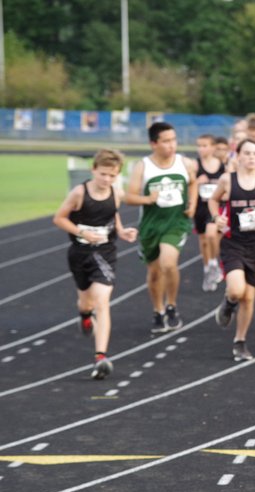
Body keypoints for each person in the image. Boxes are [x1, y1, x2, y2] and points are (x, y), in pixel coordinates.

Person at [52, 149, 138, 379]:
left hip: (105, 253)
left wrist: (122, 231)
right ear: (93, 170)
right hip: (79, 254)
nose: (107, 180)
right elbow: (59, 218)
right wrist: (81, 232)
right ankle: (84, 315)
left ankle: (101, 357)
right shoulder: (79, 193)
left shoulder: (115, 192)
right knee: (85, 302)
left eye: (112, 175)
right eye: (103, 174)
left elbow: (112, 213)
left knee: (102, 301)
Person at [209, 139, 255, 361]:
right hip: (233, 242)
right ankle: (228, 302)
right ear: (238, 156)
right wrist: (217, 217)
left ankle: (240, 341)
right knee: (236, 290)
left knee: (249, 298)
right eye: (247, 153)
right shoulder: (228, 180)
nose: (251, 157)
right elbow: (213, 200)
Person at [125, 121, 197, 334]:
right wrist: (148, 199)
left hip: (176, 223)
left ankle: (172, 305)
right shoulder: (143, 167)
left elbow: (193, 183)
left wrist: (192, 204)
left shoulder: (184, 163)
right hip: (151, 225)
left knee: (168, 263)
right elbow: (129, 197)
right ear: (153, 144)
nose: (171, 145)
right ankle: (158, 310)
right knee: (155, 272)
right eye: (166, 141)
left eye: (174, 140)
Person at [194, 133, 227, 292]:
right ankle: (208, 269)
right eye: (199, 146)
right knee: (204, 240)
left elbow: (229, 187)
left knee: (212, 235)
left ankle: (214, 263)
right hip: (200, 207)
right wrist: (196, 182)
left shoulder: (222, 166)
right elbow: (188, 187)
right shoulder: (195, 165)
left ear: (213, 147)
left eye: (205, 145)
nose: (201, 149)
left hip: (216, 207)